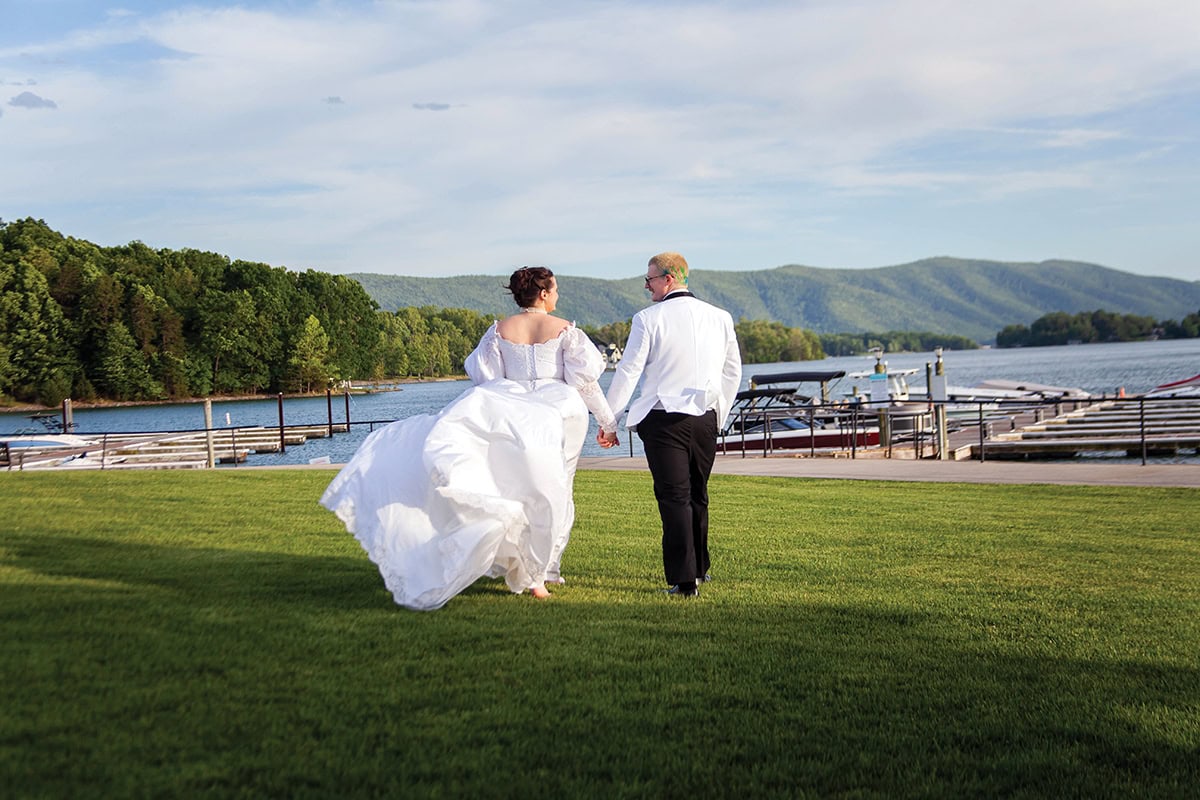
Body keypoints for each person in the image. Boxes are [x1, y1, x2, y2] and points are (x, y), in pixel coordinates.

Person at [322, 266, 619, 610]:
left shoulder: (498, 331)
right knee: (555, 490)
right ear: (542, 293)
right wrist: (607, 422)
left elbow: (487, 380)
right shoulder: (567, 331)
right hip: (554, 417)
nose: (557, 295)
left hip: (511, 415)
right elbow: (584, 383)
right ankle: (543, 571)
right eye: (554, 290)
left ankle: (528, 568)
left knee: (511, 489)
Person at [598, 252, 741, 597]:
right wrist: (718, 411)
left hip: (664, 419)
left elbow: (629, 371)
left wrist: (609, 419)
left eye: (649, 279)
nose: (646, 286)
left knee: (674, 497)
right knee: (697, 494)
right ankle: (700, 569)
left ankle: (685, 580)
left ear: (669, 279)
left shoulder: (648, 319)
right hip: (705, 418)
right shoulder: (720, 317)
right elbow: (732, 371)